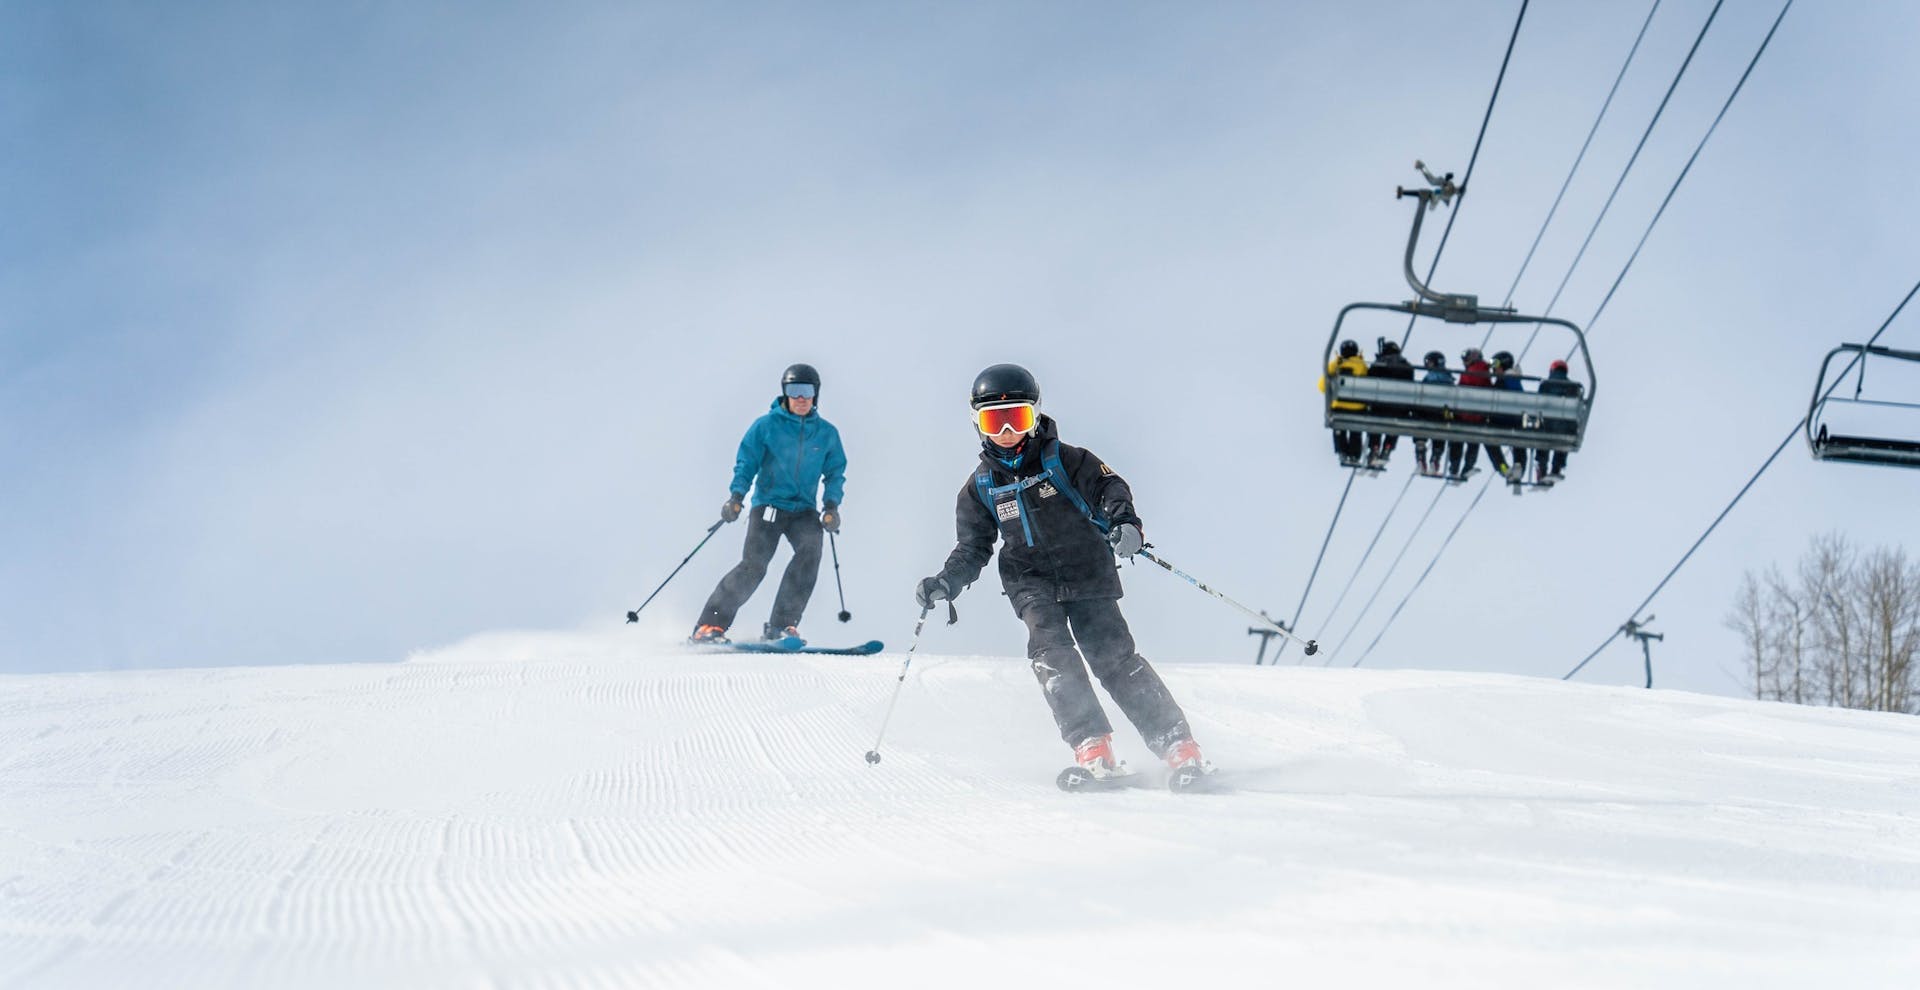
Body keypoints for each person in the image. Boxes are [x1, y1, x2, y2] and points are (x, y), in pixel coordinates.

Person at [914, 364, 1207, 779]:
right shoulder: (980, 487)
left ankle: (1178, 744)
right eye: (993, 422)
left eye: (1016, 418)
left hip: (1088, 571)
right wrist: (947, 581)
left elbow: (1110, 488)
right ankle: (1092, 745)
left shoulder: (1066, 460)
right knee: (1052, 656)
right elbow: (973, 546)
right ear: (977, 425)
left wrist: (1125, 523)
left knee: (1114, 658)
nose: (1006, 433)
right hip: (1030, 582)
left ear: (1034, 416)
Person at [691, 363, 848, 644]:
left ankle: (781, 626)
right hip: (769, 506)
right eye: (794, 391)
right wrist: (736, 497)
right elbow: (746, 462)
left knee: (810, 554)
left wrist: (832, 506)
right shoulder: (766, 426)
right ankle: (709, 626)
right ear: (785, 393)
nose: (801, 398)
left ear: (816, 395)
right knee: (754, 565)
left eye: (807, 391)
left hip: (803, 511)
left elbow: (835, 472)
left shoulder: (826, 434)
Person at [1319, 340, 1369, 467]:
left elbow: (1322, 386)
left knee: (1339, 428)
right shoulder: (1362, 365)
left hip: (1339, 406)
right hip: (1358, 407)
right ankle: (1354, 454)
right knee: (1355, 430)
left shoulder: (1335, 365)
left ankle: (1342, 451)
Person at [1367, 339, 1415, 469]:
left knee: (1375, 424)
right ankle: (1388, 447)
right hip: (1399, 407)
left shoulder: (1380, 363)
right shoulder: (1406, 365)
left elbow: (1370, 379)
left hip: (1380, 405)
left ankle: (1374, 448)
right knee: (1394, 425)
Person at [1534, 358, 1583, 483]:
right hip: (1566, 426)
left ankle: (1542, 467)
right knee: (1564, 440)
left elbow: (1538, 405)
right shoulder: (1573, 387)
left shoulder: (1545, 385)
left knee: (1543, 438)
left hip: (1548, 425)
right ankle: (1556, 468)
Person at [1454, 347, 1494, 480]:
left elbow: (1465, 388)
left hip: (1466, 413)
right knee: (1473, 441)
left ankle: (1455, 466)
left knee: (1458, 439)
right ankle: (1467, 466)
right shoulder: (1483, 369)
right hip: (1478, 414)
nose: (1464, 362)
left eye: (1466, 359)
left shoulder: (1475, 370)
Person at [1489, 350, 1526, 488]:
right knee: (1518, 442)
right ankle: (1518, 467)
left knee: (1490, 441)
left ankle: (1503, 468)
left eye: (1495, 364)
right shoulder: (1510, 378)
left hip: (1502, 419)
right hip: (1514, 420)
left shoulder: (1508, 378)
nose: (1493, 369)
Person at [1416, 350, 1454, 476]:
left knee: (1421, 429)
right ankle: (1435, 458)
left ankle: (1421, 454)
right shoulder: (1448, 377)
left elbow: (1423, 390)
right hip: (1442, 410)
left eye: (1429, 363)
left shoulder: (1431, 377)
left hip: (1427, 408)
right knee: (1439, 434)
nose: (1427, 365)